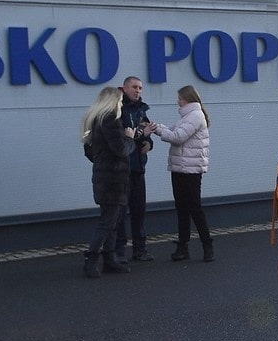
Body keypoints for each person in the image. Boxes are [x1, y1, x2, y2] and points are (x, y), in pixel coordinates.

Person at [150, 85, 213, 261]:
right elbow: (173, 131)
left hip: (190, 170)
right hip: (180, 168)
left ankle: (207, 245)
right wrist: (156, 127)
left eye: (179, 98)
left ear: (187, 98)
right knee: (182, 208)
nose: (178, 101)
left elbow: (177, 137)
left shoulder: (195, 116)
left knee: (194, 208)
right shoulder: (188, 116)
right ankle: (183, 247)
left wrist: (158, 130)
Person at [80, 86, 135, 278]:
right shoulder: (110, 119)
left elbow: (90, 151)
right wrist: (130, 138)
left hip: (104, 177)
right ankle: (92, 259)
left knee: (112, 219)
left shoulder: (95, 119)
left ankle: (109, 259)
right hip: (114, 179)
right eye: (120, 101)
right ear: (113, 101)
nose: (121, 104)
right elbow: (121, 149)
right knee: (108, 221)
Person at [115, 76, 154, 263]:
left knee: (139, 211)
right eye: (134, 87)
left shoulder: (141, 110)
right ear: (125, 88)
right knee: (120, 213)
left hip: (138, 167)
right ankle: (119, 251)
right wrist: (141, 135)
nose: (138, 91)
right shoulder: (117, 109)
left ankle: (140, 249)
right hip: (123, 169)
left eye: (140, 88)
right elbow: (124, 136)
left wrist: (148, 143)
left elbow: (145, 133)